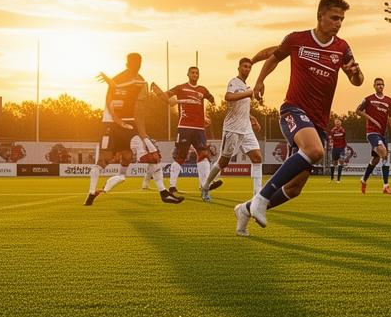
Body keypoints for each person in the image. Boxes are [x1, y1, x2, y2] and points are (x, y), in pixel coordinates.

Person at [235, 0, 363, 235]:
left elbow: (357, 81)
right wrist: (260, 81)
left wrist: (355, 73)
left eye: (342, 19)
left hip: (318, 122)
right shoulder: (297, 39)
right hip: (293, 110)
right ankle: (261, 198)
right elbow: (274, 58)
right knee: (315, 151)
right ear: (320, 16)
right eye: (334, 18)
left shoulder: (342, 48)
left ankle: (246, 208)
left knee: (294, 189)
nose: (338, 23)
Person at [88, 54, 180, 205]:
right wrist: (119, 120)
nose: (137, 65)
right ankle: (92, 193)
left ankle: (163, 192)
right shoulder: (122, 80)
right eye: (133, 63)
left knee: (150, 157)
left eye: (139, 62)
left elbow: (143, 106)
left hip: (129, 125)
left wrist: (163, 96)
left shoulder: (140, 81)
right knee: (104, 161)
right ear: (127, 64)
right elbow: (111, 101)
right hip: (113, 125)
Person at [202, 57, 264, 202]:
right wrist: (248, 94)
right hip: (232, 128)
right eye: (244, 66)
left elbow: (242, 108)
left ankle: (257, 196)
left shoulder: (247, 87)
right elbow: (228, 97)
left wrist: (252, 118)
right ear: (239, 68)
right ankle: (205, 186)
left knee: (257, 158)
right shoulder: (234, 82)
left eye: (249, 67)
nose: (247, 69)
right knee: (223, 162)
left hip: (246, 128)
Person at [152, 66, 218, 198]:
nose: (195, 74)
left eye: (197, 73)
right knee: (181, 157)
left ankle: (204, 186)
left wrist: (207, 113)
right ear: (188, 74)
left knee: (204, 154)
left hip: (199, 128)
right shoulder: (180, 87)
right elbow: (166, 97)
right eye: (192, 72)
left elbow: (211, 99)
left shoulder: (203, 89)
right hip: (185, 127)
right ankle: (172, 187)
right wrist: (157, 90)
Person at [358, 77, 391, 194]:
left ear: (384, 86)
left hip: (382, 134)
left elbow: (390, 117)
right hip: (371, 132)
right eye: (377, 84)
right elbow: (358, 110)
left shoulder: (389, 101)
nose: (380, 86)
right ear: (374, 86)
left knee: (376, 159)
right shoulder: (369, 99)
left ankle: (363, 180)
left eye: (381, 84)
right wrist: (371, 119)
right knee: (384, 152)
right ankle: (386, 186)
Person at [327, 117, 348, 182]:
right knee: (333, 163)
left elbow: (344, 138)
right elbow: (330, 139)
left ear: (340, 123)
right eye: (336, 122)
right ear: (335, 123)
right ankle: (332, 179)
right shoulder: (332, 131)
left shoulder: (343, 130)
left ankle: (338, 180)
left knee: (341, 162)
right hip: (335, 148)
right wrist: (330, 145)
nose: (337, 124)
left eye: (338, 122)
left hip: (341, 148)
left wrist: (345, 147)